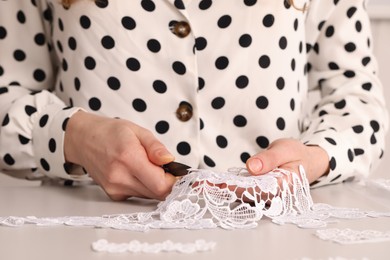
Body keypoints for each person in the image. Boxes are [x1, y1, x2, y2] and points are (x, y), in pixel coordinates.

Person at [0, 0, 387, 201]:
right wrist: (75, 138)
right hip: (84, 225)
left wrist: (317, 157)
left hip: (277, 234)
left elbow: (354, 93)